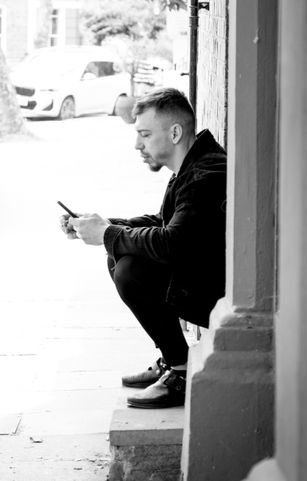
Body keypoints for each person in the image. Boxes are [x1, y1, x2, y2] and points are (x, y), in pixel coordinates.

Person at [60, 87, 226, 409]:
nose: (138, 144)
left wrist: (108, 233)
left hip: (221, 296)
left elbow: (171, 242)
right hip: (203, 275)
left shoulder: (205, 173)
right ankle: (174, 358)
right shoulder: (193, 163)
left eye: (145, 134)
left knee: (130, 268)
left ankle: (180, 371)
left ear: (175, 132)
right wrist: (100, 224)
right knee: (119, 253)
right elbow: (164, 222)